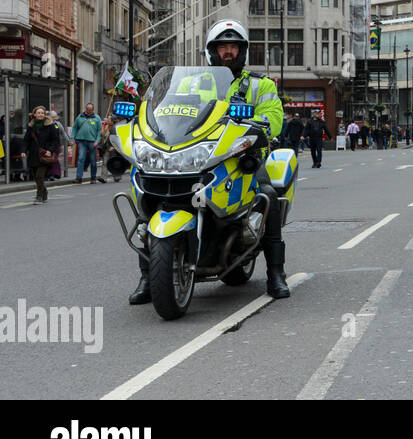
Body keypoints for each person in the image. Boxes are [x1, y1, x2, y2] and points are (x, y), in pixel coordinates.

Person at [131, 21, 291, 305]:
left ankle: (276, 274)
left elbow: (274, 118)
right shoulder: (192, 82)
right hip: (197, 154)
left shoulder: (260, 84)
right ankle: (148, 277)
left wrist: (260, 125)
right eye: (222, 47)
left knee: (267, 196)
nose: (228, 53)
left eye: (233, 47)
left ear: (242, 51)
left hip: (243, 154)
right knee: (150, 196)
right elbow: (170, 112)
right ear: (211, 52)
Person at [24, 106, 59, 204]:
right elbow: (26, 140)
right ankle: (45, 191)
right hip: (33, 154)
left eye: (42, 113)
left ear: (45, 115)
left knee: (40, 176)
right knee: (35, 177)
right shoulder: (31, 126)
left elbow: (55, 140)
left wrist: (50, 150)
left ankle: (39, 196)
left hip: (44, 155)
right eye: (38, 113)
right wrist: (23, 151)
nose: (40, 114)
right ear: (34, 114)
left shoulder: (50, 125)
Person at [72, 103, 105, 184]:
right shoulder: (80, 117)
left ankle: (93, 178)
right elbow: (74, 128)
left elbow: (99, 131)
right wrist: (72, 138)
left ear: (93, 110)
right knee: (80, 159)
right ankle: (79, 177)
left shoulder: (97, 118)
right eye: (87, 109)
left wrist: (97, 141)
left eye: (90, 109)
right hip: (81, 141)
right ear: (85, 109)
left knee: (93, 161)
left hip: (92, 142)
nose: (89, 111)